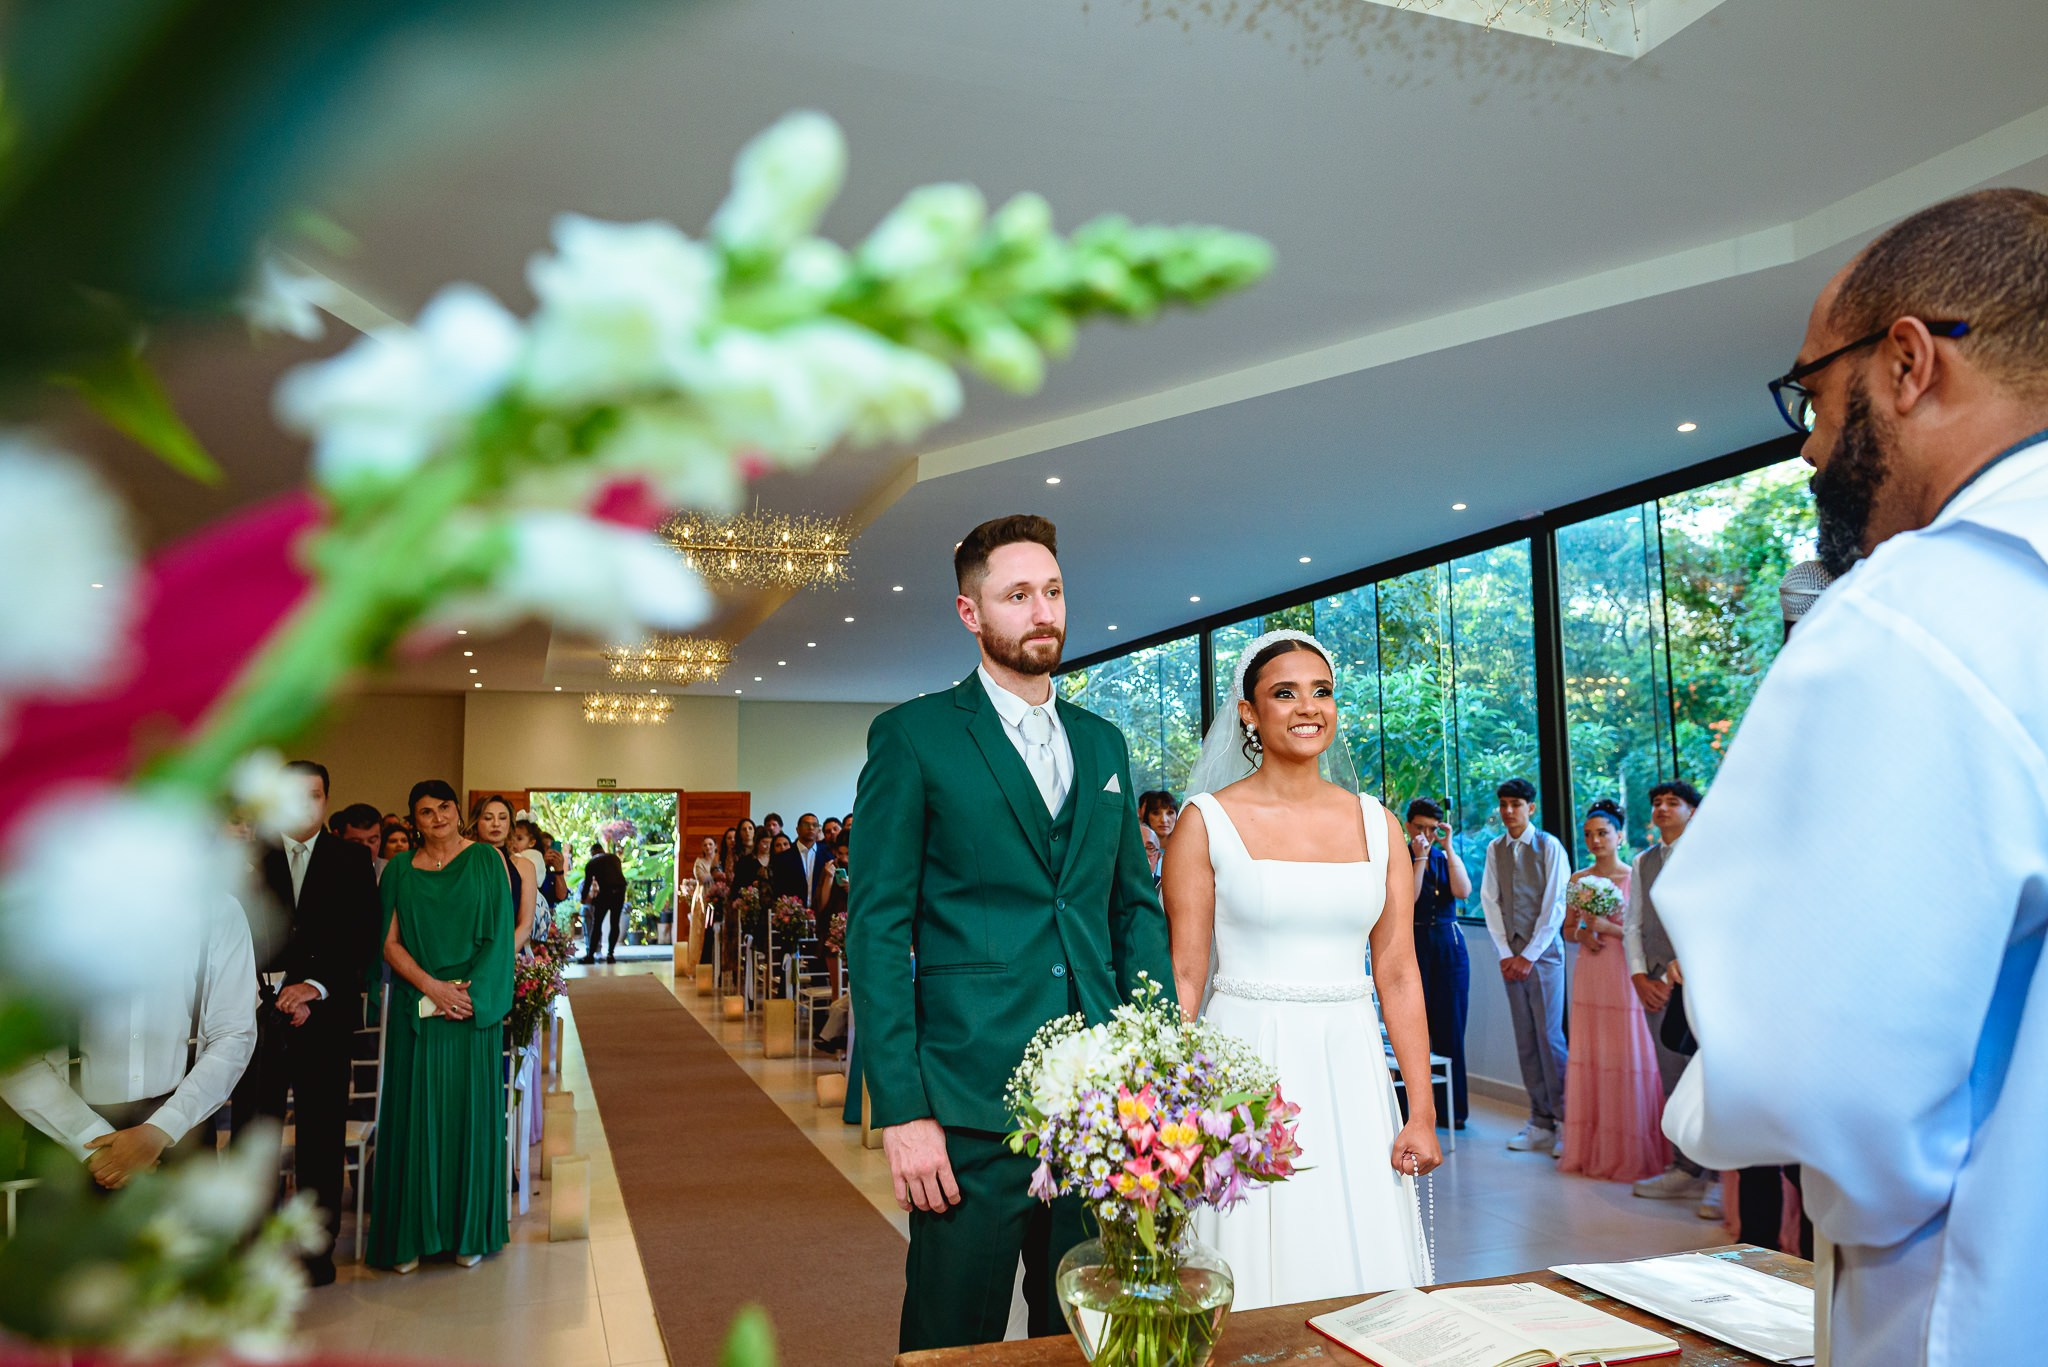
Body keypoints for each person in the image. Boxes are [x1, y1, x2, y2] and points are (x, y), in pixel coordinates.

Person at [1657, 188, 2048, 1365]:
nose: (1809, 447)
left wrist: (1717, 1089)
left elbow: (1831, 1080)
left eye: (1815, 397)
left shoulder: (1922, 612)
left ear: (1907, 362)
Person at [847, 514, 1174, 1352]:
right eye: (1018, 594)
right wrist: (903, 1110)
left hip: (1100, 1108)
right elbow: (878, 929)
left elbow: (1133, 911)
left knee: (1090, 1335)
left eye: (1053, 591)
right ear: (970, 612)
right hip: (968, 1105)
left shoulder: (1103, 742)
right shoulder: (913, 737)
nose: (1043, 611)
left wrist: (1157, 1069)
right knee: (952, 1340)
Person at [1166, 630, 1437, 1311]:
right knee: (1249, 1244)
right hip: (1244, 1061)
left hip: (1350, 1063)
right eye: (1284, 693)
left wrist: (1422, 1109)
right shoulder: (1205, 821)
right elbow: (1185, 973)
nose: (1308, 706)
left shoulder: (1377, 823)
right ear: (1249, 713)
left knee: (1355, 1247)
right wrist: (1167, 1102)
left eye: (1322, 691)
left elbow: (1398, 972)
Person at [230, 759, 380, 1285]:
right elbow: (231, 936)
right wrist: (271, 993)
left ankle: (316, 1248)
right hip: (256, 1016)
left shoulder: (351, 859)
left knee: (321, 1135)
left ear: (326, 801)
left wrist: (313, 988)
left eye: (313, 795)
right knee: (255, 1133)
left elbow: (362, 938)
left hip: (325, 1016)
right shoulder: (251, 855)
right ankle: (252, 1244)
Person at [0, 891, 256, 1190]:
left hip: (182, 1137)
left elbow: (233, 1034)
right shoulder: (33, 912)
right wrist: (87, 1136)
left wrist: (163, 1127)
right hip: (62, 1141)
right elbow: (13, 1054)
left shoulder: (217, 909)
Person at [369, 778, 518, 1272]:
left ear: (458, 811)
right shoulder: (399, 871)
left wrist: (469, 995)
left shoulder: (486, 861)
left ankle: (468, 1231)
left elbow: (500, 936)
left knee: (468, 1119)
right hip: (419, 1007)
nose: (437, 818)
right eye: (426, 812)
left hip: (472, 1010)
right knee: (415, 1119)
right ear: (414, 820)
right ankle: (411, 1236)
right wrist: (433, 987)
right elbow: (389, 943)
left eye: (444, 808)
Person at [1556, 800, 1667, 1184]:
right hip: (1591, 971)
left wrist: (1609, 929)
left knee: (1628, 1051)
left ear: (1619, 835)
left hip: (1624, 970)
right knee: (1593, 1052)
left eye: (1603, 833)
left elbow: (1642, 933)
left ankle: (1632, 1150)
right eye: (1589, 835)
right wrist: (1583, 933)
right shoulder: (1578, 879)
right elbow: (1567, 930)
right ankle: (1591, 1148)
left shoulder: (1635, 875)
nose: (1595, 840)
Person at [1625, 780, 1716, 1212]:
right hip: (1655, 985)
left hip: (1701, 983)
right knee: (1672, 1076)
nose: (1662, 808)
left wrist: (1679, 972)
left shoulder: (1707, 855)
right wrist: (1640, 976)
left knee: (1708, 1079)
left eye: (1672, 802)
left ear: (1692, 811)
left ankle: (1719, 1177)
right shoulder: (1642, 861)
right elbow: (1633, 923)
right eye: (1657, 802)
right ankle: (1685, 1168)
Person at [1479, 777, 1569, 1154]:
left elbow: (1556, 905)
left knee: (1550, 1038)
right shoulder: (1495, 848)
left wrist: (1529, 955)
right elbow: (1489, 901)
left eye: (1515, 804)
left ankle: (1565, 1122)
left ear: (1531, 808)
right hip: (1511, 958)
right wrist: (1505, 953)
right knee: (1526, 1039)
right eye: (1503, 804)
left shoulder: (1550, 846)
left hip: (1543, 957)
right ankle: (1540, 1121)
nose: (1508, 811)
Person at [1403, 797, 1470, 1130]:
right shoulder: (1402, 857)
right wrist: (1419, 858)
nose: (1426, 835)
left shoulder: (1446, 858)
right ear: (1408, 826)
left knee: (1450, 1027)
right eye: (1420, 828)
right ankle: (1411, 1110)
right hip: (1414, 944)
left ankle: (1452, 1111)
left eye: (1432, 829)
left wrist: (1449, 847)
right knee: (1412, 1029)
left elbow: (1464, 891)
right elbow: (1408, 899)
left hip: (1449, 946)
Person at [771, 812, 831, 919]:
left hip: (821, 916)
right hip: (792, 916)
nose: (811, 828)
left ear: (818, 830)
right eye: (806, 825)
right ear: (797, 829)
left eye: (814, 825)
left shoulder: (828, 856)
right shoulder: (782, 858)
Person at [577, 840, 627, 964]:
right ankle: (610, 954)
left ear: (592, 853)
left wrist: (583, 898)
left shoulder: (591, 863)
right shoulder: (614, 858)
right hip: (620, 892)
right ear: (602, 850)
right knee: (614, 923)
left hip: (605, 893)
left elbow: (587, 883)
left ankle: (590, 956)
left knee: (597, 924)